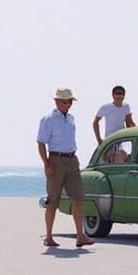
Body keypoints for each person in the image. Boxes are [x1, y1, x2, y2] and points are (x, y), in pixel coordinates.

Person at [37, 87, 94, 248]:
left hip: (72, 159)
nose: (68, 104)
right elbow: (41, 142)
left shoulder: (71, 119)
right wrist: (46, 164)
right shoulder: (48, 119)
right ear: (57, 101)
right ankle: (48, 236)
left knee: (78, 197)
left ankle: (80, 236)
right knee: (53, 200)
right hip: (56, 159)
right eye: (65, 101)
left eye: (70, 101)